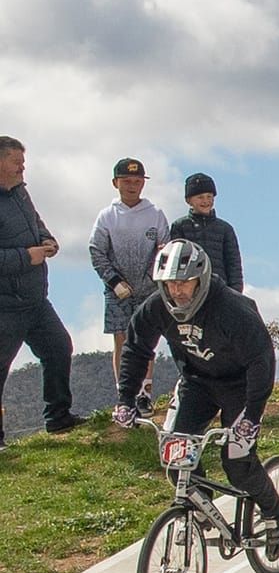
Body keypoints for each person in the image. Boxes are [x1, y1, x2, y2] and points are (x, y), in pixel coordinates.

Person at [112, 241, 279, 547]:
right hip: (197, 383)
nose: (177, 291)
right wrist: (126, 399)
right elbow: (136, 349)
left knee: (236, 459)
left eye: (185, 283)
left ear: (202, 279)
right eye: (170, 284)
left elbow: (261, 360)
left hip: (240, 386)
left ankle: (276, 512)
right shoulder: (156, 307)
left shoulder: (232, 309)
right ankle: (199, 509)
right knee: (175, 454)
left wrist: (252, 416)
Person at [0, 136, 81, 444]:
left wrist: (47, 240)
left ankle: (59, 419)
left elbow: (36, 222)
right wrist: (26, 257)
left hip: (36, 300)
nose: (23, 167)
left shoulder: (21, 192)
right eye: (16, 161)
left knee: (59, 348)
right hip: (5, 305)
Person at [90, 157, 172, 408]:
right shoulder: (107, 216)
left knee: (147, 340)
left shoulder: (155, 214)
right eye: (126, 181)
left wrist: (152, 277)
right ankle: (124, 394)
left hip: (149, 290)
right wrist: (114, 281)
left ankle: (145, 393)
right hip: (117, 290)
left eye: (137, 181)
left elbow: (165, 249)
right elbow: (96, 250)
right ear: (116, 183)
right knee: (121, 339)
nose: (132, 186)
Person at [169, 172, 244, 293]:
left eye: (209, 196)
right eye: (200, 197)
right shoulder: (179, 226)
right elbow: (176, 261)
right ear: (189, 200)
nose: (205, 201)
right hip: (190, 290)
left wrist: (235, 292)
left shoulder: (225, 228)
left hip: (220, 290)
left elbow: (233, 263)